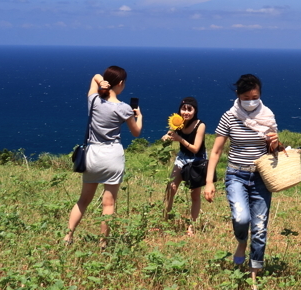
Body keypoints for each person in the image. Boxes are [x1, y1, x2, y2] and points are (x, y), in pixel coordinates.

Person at [204, 74, 280, 283]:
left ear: (260, 95)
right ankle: (241, 242)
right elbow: (217, 151)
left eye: (254, 96)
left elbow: (273, 152)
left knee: (260, 227)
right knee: (241, 218)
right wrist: (209, 181)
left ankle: (254, 275)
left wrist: (275, 143)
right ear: (238, 96)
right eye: (246, 97)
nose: (250, 101)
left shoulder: (268, 116)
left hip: (260, 177)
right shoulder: (229, 117)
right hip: (236, 174)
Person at [64, 66, 143, 247]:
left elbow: (94, 77)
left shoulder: (94, 101)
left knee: (83, 200)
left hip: (93, 155)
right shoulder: (124, 108)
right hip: (112, 156)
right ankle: (103, 243)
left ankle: (68, 237)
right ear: (121, 83)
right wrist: (139, 116)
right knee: (108, 204)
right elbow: (136, 132)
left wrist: (101, 82)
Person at [161, 96, 206, 234]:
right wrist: (166, 138)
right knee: (171, 188)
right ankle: (164, 221)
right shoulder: (177, 122)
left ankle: (191, 227)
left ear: (195, 111)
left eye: (189, 109)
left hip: (197, 160)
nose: (186, 112)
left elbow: (195, 148)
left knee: (195, 194)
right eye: (183, 109)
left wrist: (179, 139)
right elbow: (169, 134)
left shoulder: (200, 125)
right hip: (182, 158)